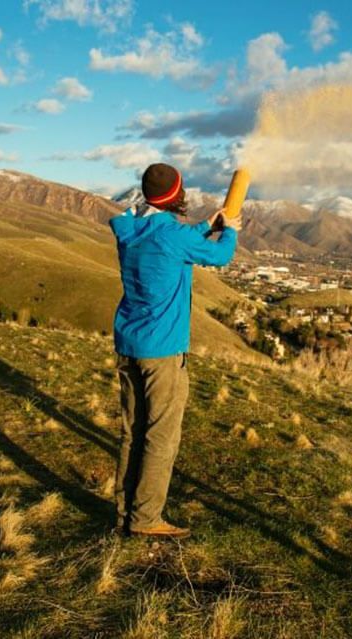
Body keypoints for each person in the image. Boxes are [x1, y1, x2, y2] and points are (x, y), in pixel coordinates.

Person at [109, 163, 240, 539]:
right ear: (176, 195)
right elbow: (220, 256)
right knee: (161, 435)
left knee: (133, 432)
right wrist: (230, 230)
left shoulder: (131, 227)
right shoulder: (172, 235)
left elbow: (166, 238)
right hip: (162, 349)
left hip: (129, 342)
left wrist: (205, 226)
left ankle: (125, 512)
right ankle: (146, 518)